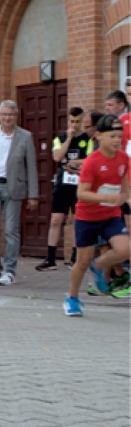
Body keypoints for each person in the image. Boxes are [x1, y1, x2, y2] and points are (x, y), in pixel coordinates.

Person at [63, 114, 130, 316]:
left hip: (110, 216)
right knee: (82, 262)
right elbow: (81, 193)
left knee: (125, 248)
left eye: (119, 136)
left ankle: (100, 265)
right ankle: (72, 299)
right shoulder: (92, 162)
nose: (117, 140)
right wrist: (107, 198)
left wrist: (124, 198)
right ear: (99, 136)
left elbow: (124, 186)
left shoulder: (123, 159)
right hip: (87, 217)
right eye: (112, 136)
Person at [0, 100, 39, 286]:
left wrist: (33, 194)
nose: (7, 118)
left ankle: (9, 271)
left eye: (11, 114)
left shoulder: (25, 137)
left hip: (14, 187)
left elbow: (32, 167)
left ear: (16, 116)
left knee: (12, 230)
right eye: (4, 114)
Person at [37, 108, 91, 271]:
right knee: (55, 220)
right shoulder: (59, 139)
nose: (74, 125)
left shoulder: (87, 140)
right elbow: (57, 157)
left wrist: (74, 163)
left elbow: (89, 159)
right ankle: (51, 258)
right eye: (72, 122)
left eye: (77, 122)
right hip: (62, 185)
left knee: (77, 221)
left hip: (79, 185)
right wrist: (69, 138)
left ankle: (75, 257)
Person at [103, 90, 131, 233]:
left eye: (110, 105)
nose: (107, 108)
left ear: (121, 105)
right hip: (124, 178)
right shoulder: (120, 122)